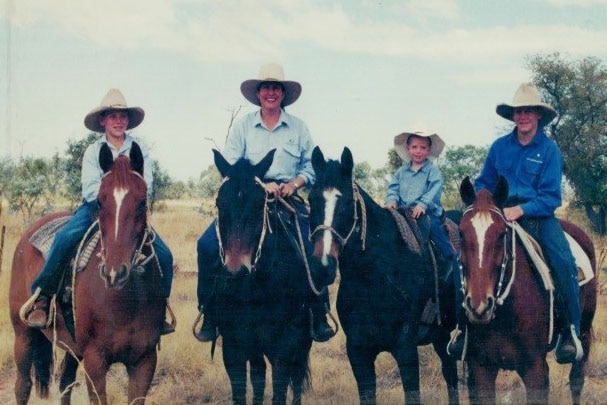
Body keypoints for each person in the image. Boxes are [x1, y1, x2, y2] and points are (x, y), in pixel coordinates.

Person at [195, 63, 335, 343]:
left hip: (288, 199)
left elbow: (310, 166)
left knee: (315, 248)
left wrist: (292, 184)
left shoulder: (298, 127)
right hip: (248, 197)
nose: (270, 93)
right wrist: (260, 184)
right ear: (258, 94)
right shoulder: (244, 126)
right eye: (266, 88)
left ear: (283, 94)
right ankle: (209, 313)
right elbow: (232, 166)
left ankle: (319, 313)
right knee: (207, 244)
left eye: (275, 88)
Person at [447, 82, 583, 364]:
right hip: (499, 216)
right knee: (465, 260)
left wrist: (521, 209)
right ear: (513, 116)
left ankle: (570, 331)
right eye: (518, 112)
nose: (523, 117)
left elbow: (551, 197)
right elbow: (484, 183)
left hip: (537, 217)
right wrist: (481, 205)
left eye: (528, 112)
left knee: (564, 262)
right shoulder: (499, 147)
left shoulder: (549, 151)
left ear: (538, 116)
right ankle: (462, 330)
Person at [23, 88, 175, 335]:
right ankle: (43, 296)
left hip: (128, 212)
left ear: (128, 120)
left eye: (122, 116)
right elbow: (90, 187)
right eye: (112, 116)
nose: (118, 121)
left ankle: (161, 306)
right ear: (103, 120)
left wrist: (126, 198)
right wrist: (113, 193)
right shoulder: (94, 151)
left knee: (164, 255)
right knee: (64, 239)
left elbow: (146, 183)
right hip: (96, 208)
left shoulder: (139, 149)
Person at [384, 131, 458, 278]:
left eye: (423, 148)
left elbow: (434, 190)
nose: (418, 151)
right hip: (403, 210)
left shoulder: (432, 170)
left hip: (426, 211)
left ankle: (451, 259)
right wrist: (391, 200)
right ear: (408, 149)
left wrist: (423, 204)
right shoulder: (401, 172)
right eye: (415, 147)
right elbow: (393, 188)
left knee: (435, 230)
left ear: (428, 150)